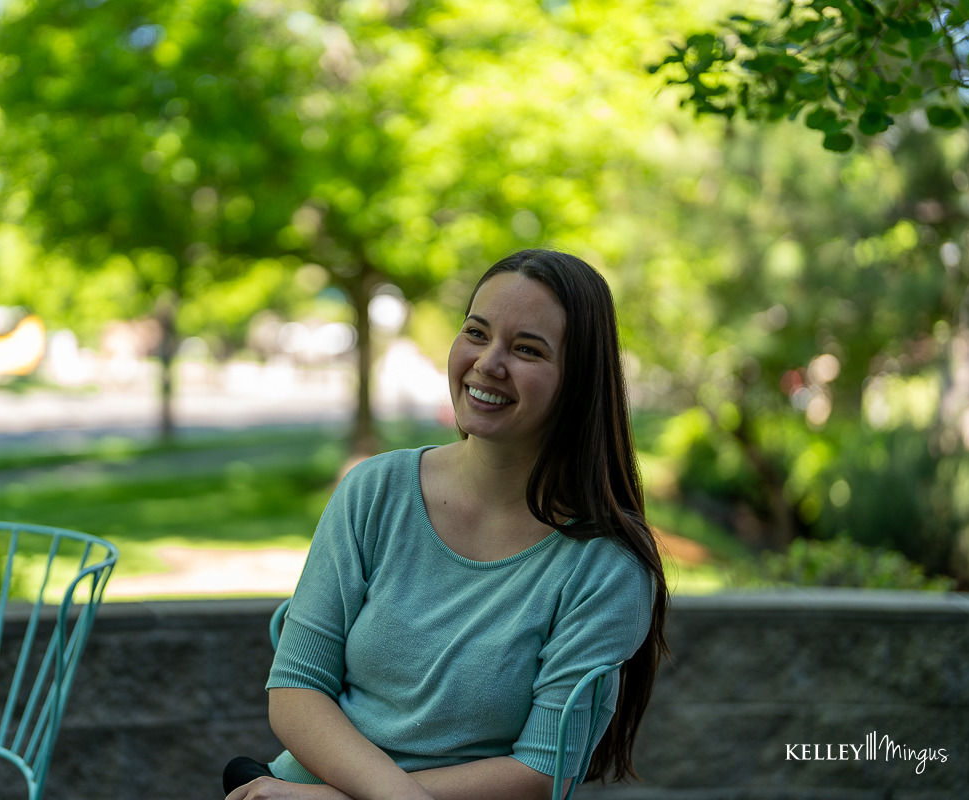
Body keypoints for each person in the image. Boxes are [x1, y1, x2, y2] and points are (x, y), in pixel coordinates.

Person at [223, 248, 670, 800]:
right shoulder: (375, 491)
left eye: (527, 349)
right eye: (477, 333)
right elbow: (296, 689)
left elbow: (540, 772)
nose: (488, 363)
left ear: (577, 383)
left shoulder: (606, 565)